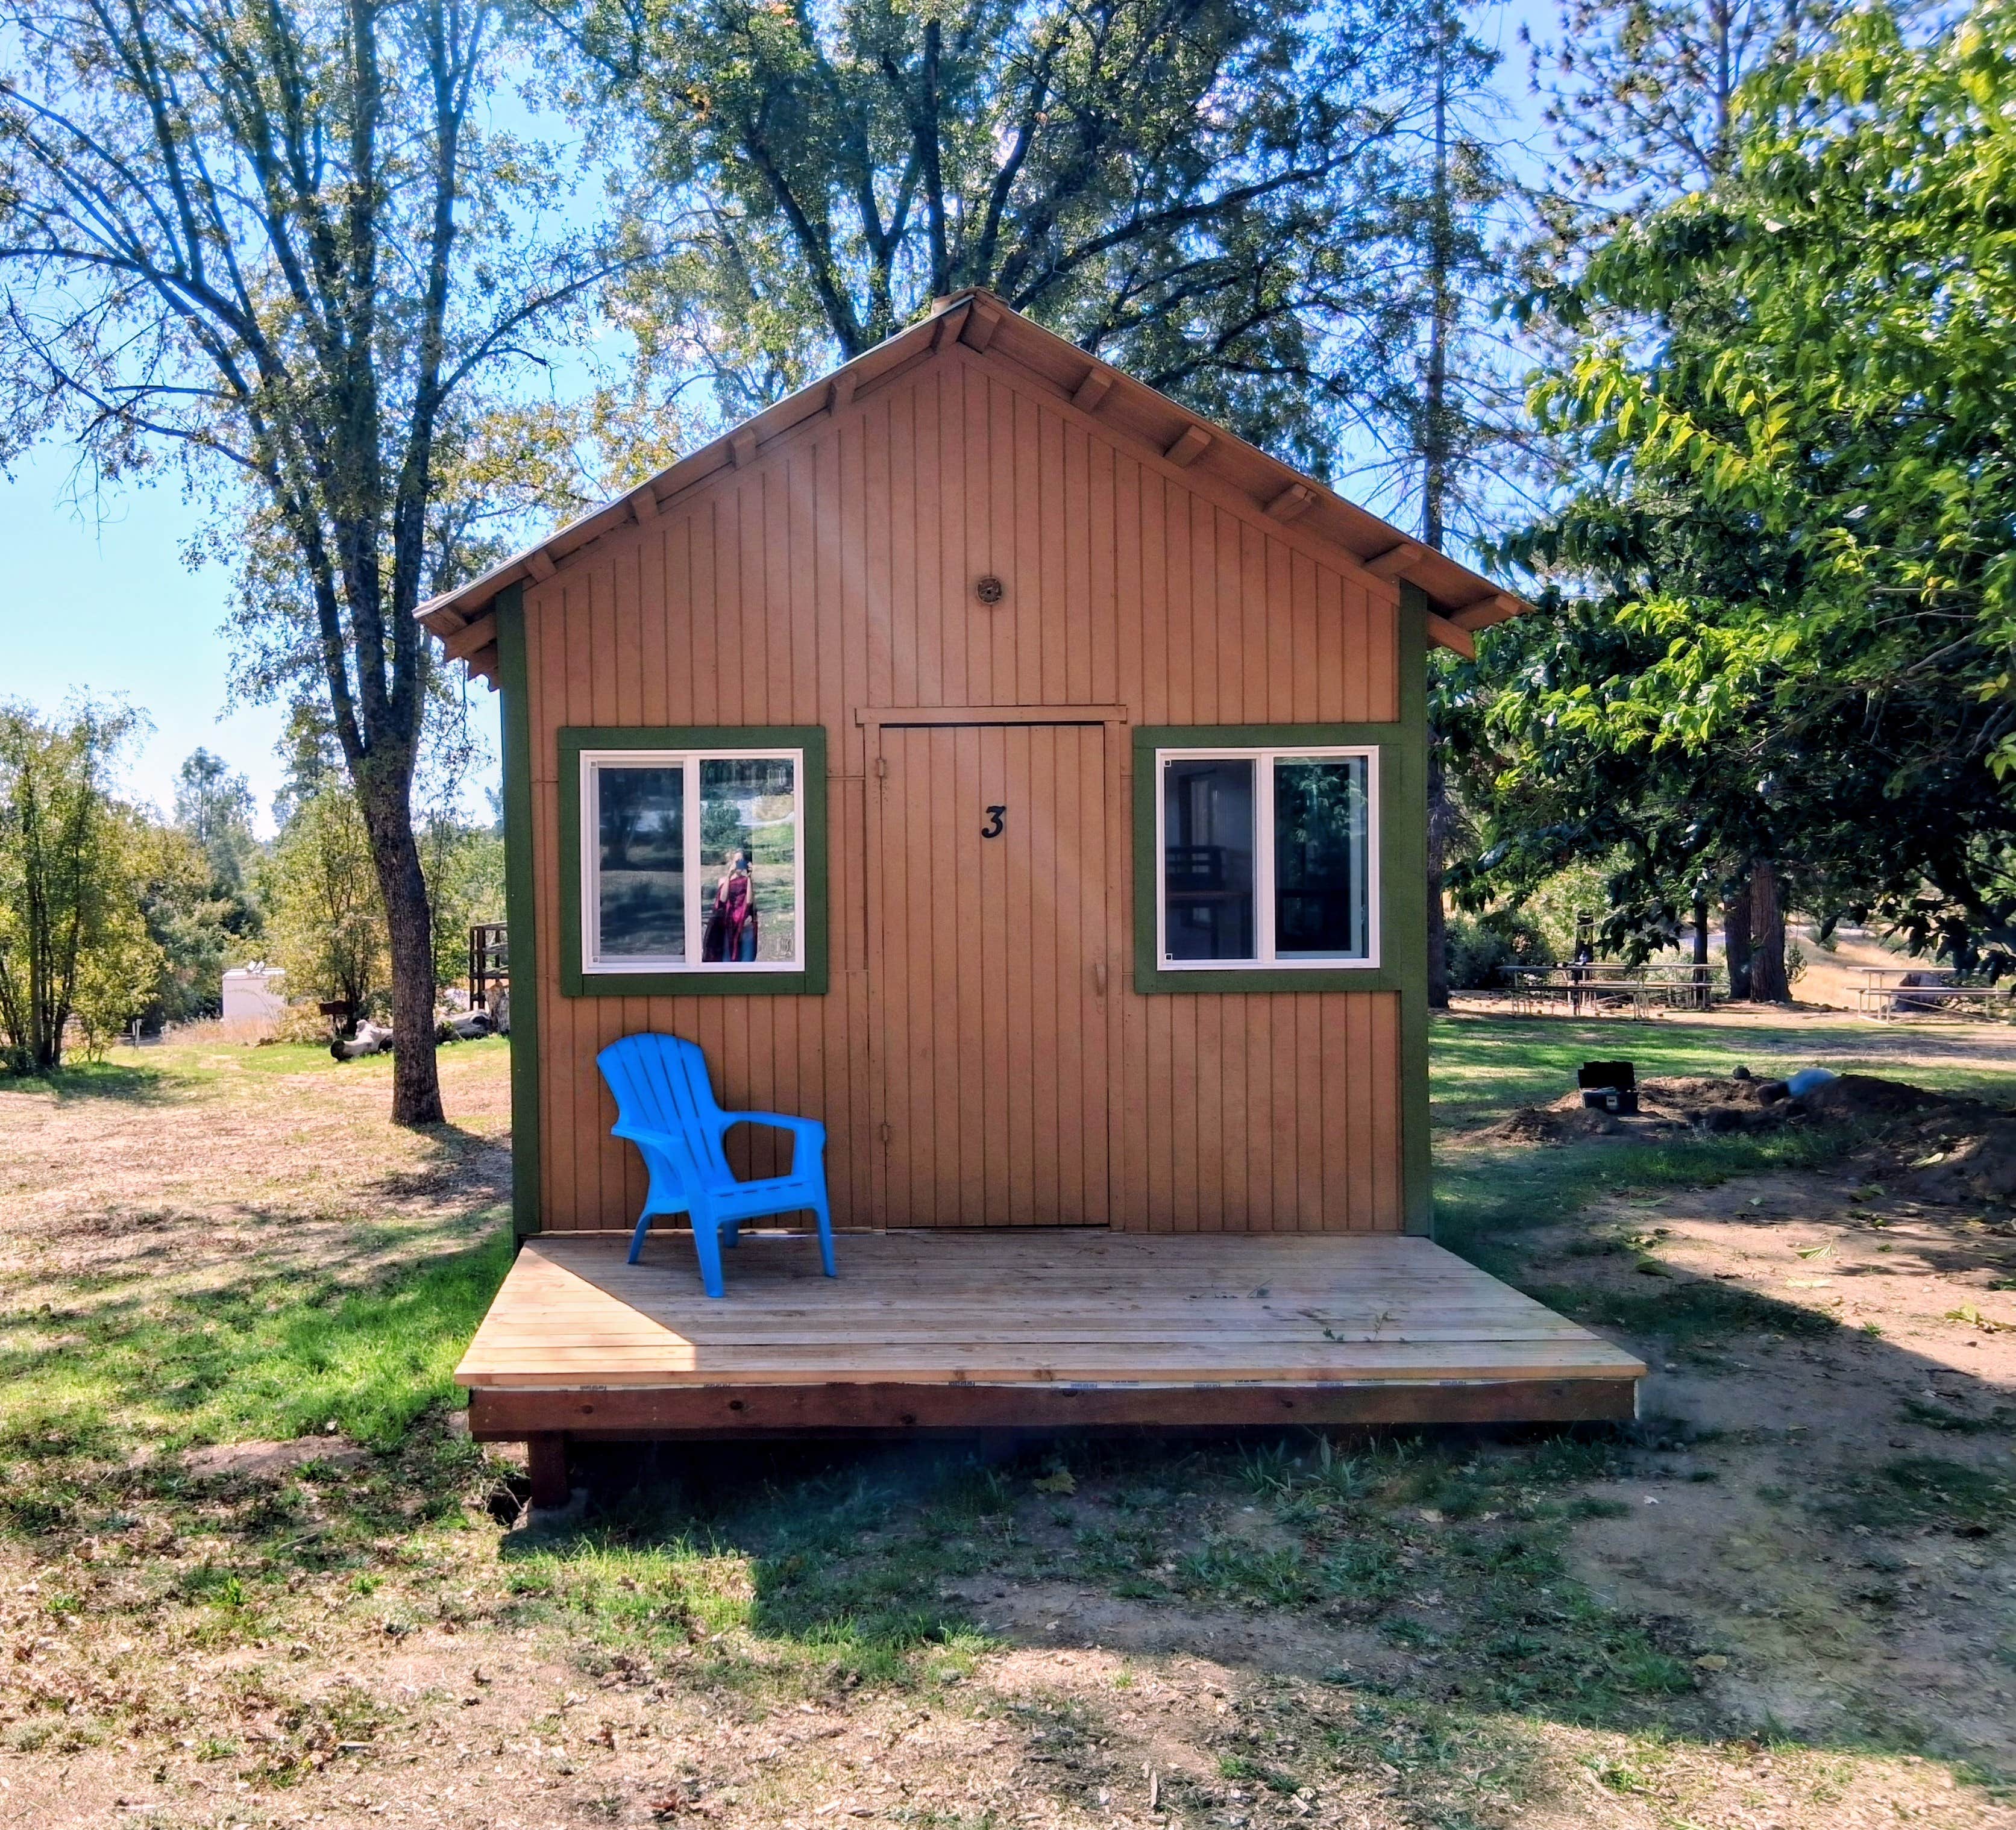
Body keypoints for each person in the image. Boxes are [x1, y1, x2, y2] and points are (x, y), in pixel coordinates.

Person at [702, 850, 760, 963]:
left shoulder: (746, 880)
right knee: (728, 960)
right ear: (731, 863)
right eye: (737, 861)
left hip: (745, 924)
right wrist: (729, 875)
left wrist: (749, 878)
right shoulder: (723, 880)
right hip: (728, 925)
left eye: (742, 861)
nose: (740, 864)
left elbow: (749, 901)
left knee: (747, 961)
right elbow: (723, 899)